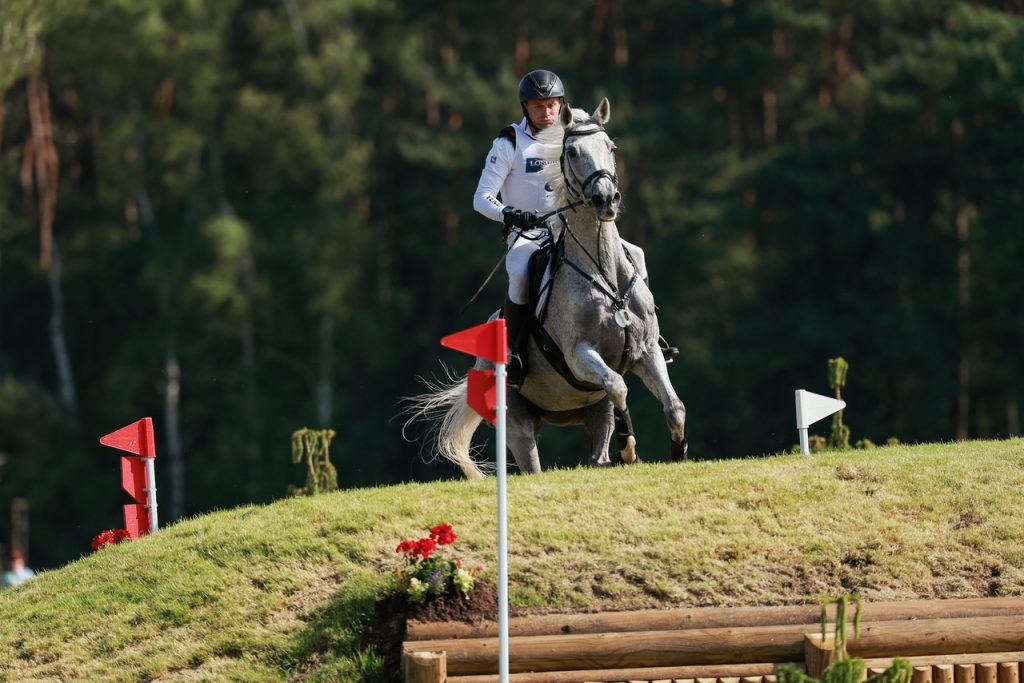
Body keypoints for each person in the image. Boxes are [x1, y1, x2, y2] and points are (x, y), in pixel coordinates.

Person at [472, 69, 675, 388]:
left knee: (636, 254)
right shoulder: (509, 142)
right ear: (525, 107)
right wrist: (508, 213)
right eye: (539, 106)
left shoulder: (572, 132)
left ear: (562, 104)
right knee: (521, 273)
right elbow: (481, 198)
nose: (547, 112)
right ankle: (515, 354)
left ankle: (650, 337)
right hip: (528, 235)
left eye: (552, 105)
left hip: (572, 230)